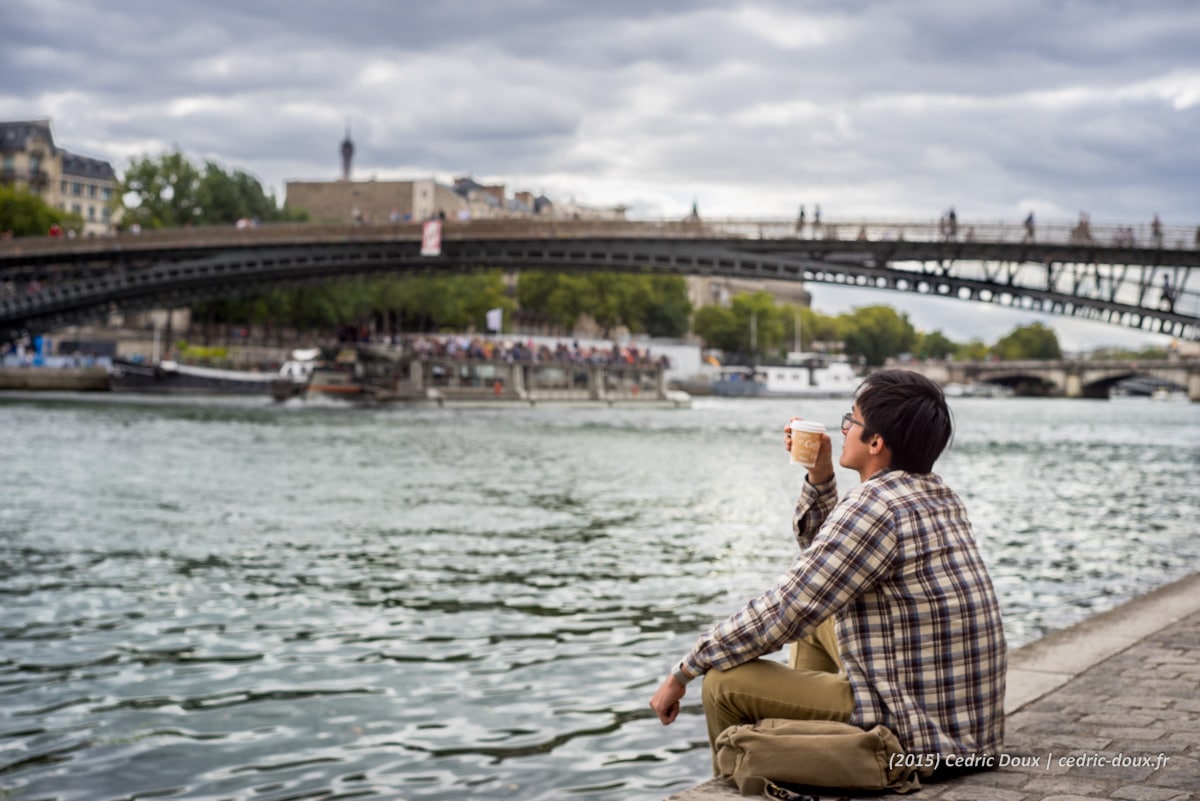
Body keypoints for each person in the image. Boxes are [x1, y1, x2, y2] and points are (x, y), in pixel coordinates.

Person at [649, 369, 1006, 776]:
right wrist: (820, 477)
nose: (844, 429)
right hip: (969, 729)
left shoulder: (875, 506)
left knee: (721, 685)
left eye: (850, 421)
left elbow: (787, 606)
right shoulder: (935, 494)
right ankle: (801, 747)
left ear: (875, 442)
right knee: (816, 622)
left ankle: (736, 779)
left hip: (917, 734)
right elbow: (828, 572)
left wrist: (683, 671)